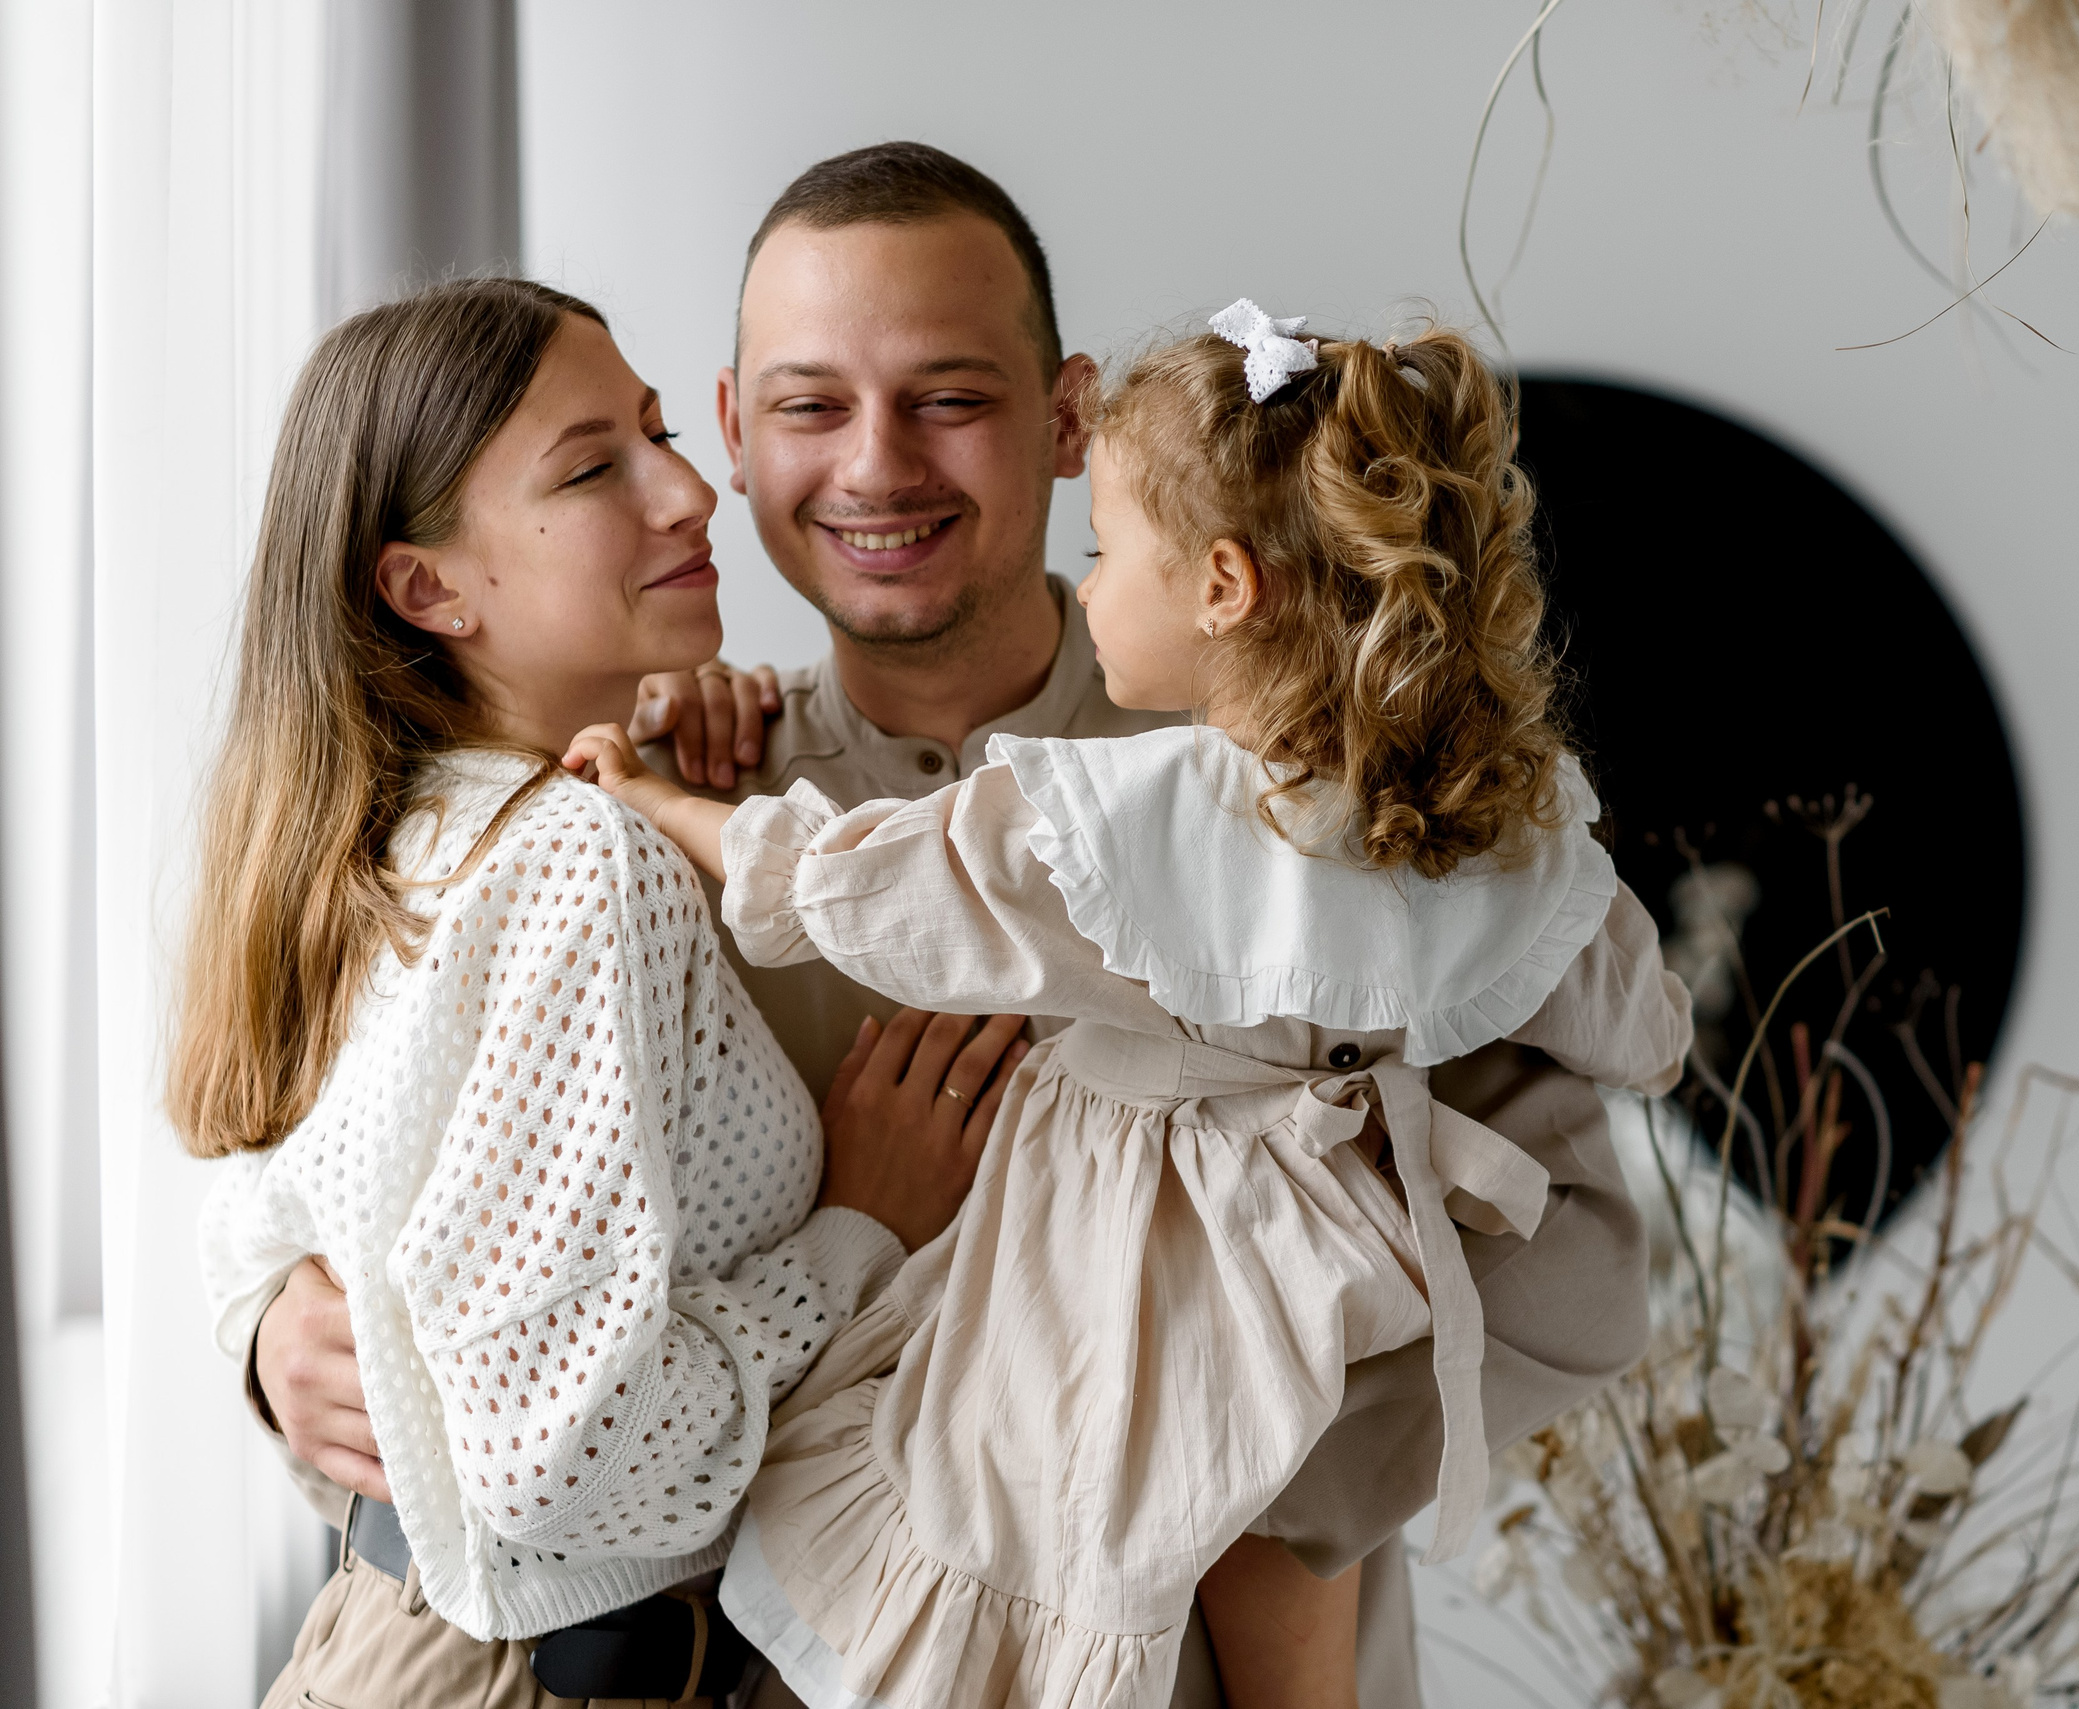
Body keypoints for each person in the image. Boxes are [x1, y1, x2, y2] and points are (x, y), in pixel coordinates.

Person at [254, 143, 1657, 1708]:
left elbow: (1577, 1265)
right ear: (731, 432)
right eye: (807, 406)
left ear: (1069, 421)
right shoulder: (657, 801)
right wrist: (269, 1336)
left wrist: (1223, 1488)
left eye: (950, 398)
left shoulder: (1315, 799)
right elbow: (364, 1168)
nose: (877, 466)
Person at [566, 303, 1694, 1709]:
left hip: (1143, 1249)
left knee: (1051, 1505)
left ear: (1222, 584)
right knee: (1209, 1513)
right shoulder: (1484, 813)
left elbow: (871, 878)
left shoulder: (1135, 815)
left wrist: (661, 801)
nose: (1090, 587)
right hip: (1346, 1249)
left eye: (1105, 554)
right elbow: (1630, 1007)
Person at [178, 278, 1027, 1708]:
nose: (693, 489)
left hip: (385, 1646)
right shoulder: (577, 858)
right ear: (427, 588)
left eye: (656, 431)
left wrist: (257, 1324)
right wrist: (853, 1236)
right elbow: (564, 1463)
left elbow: (296, 1216)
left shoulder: (384, 837)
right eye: (594, 468)